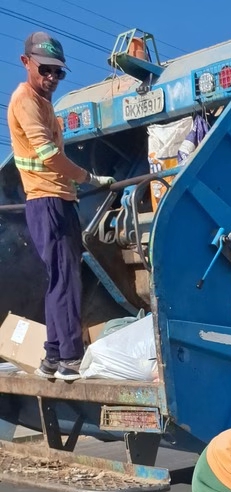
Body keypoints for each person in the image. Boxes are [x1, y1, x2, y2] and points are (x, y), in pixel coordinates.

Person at [6, 32, 114, 382]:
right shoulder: (25, 100)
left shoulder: (43, 102)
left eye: (59, 73)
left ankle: (53, 356)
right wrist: (90, 179)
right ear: (26, 63)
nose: (52, 78)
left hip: (53, 200)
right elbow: (50, 155)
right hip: (48, 201)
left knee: (59, 278)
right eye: (46, 69)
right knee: (65, 280)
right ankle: (69, 358)